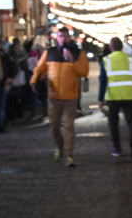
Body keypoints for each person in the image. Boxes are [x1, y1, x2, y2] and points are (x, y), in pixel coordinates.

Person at [31, 26, 89, 167]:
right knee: (54, 127)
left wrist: (72, 60)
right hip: (54, 96)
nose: (63, 39)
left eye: (65, 36)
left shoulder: (78, 53)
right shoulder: (49, 52)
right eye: (60, 36)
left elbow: (84, 72)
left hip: (70, 97)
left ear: (69, 37)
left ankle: (69, 155)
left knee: (69, 127)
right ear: (57, 38)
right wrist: (34, 81)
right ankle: (59, 146)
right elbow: (39, 68)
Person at [99, 37, 132, 158]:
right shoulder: (131, 60)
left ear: (110, 47)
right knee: (131, 121)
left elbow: (103, 81)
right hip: (129, 95)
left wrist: (100, 99)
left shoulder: (106, 60)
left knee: (113, 123)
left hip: (112, 97)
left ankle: (117, 148)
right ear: (122, 47)